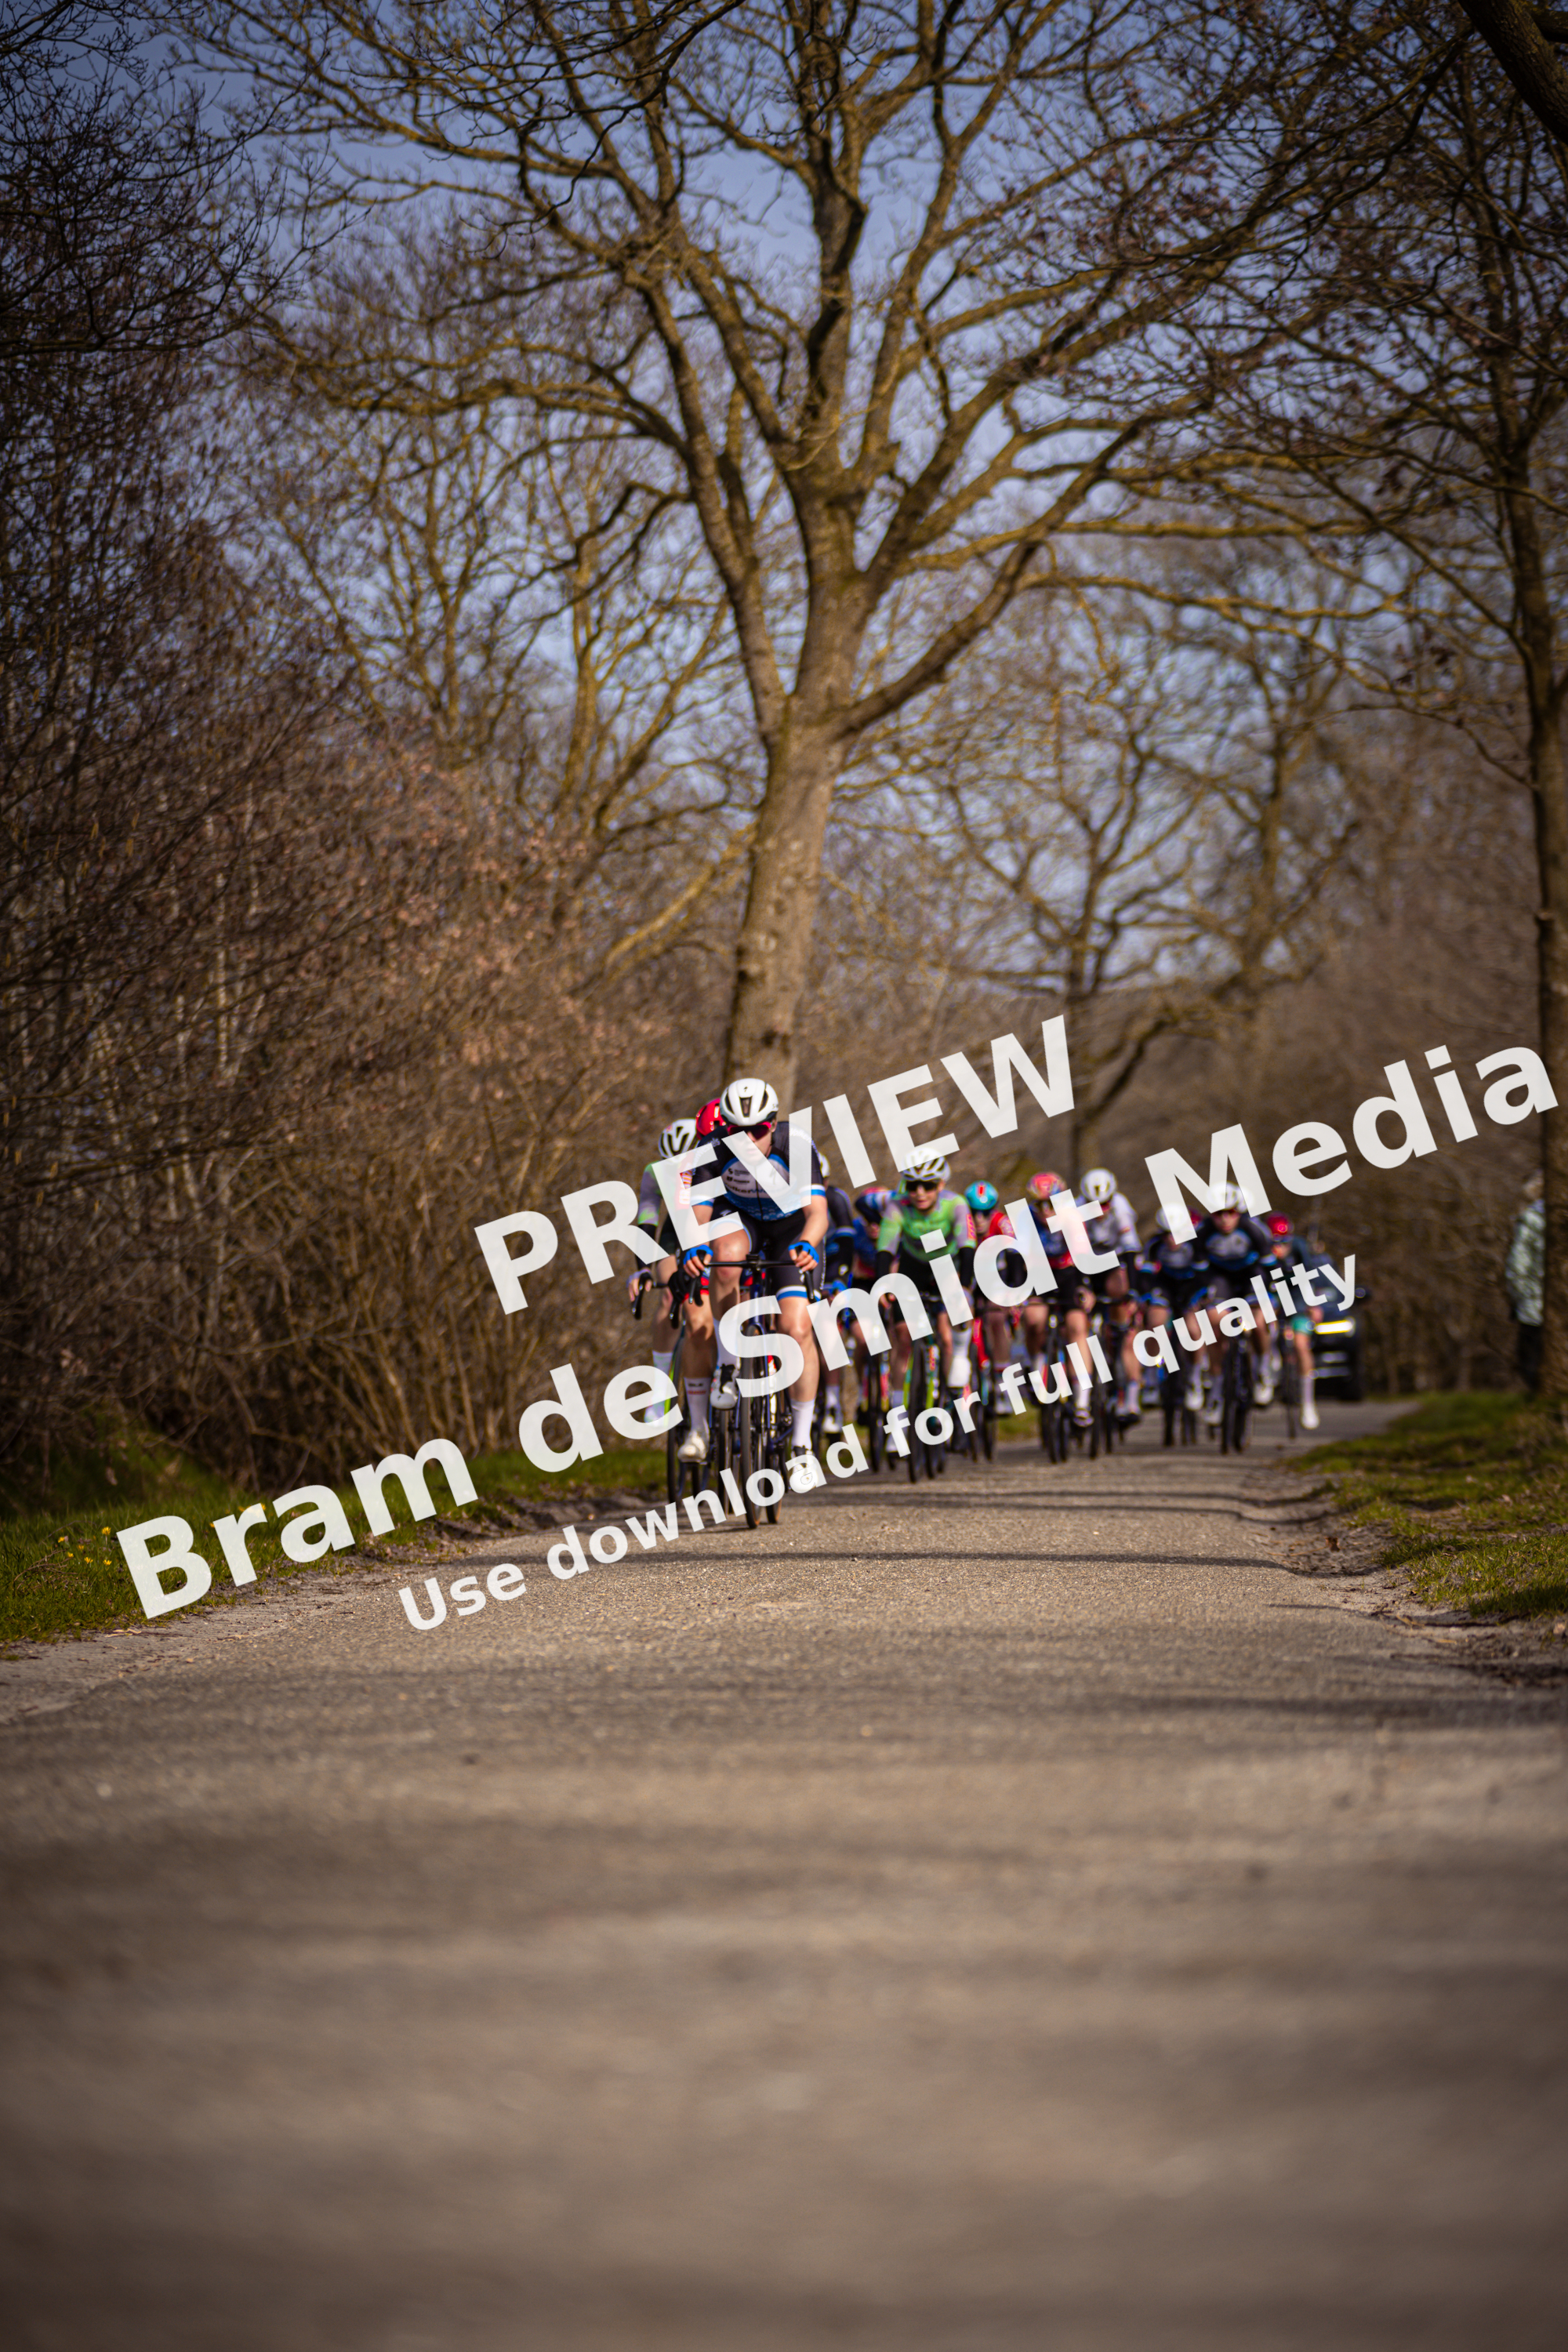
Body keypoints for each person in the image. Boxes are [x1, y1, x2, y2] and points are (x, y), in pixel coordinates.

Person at [681, 1076, 829, 1478]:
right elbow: (698, 1215)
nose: (748, 1140)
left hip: (791, 1230)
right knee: (724, 1259)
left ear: (774, 1124)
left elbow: (817, 1213)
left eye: (759, 1130)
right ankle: (727, 1368)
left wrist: (809, 1243)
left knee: (796, 1328)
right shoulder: (711, 1149)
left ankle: (801, 1442)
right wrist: (694, 1246)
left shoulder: (795, 1144)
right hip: (742, 1219)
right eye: (737, 1131)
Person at [628, 1116, 715, 1456]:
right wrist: (642, 1270)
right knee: (669, 1295)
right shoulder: (654, 1172)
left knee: (708, 1306)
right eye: (671, 1165)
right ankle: (661, 1388)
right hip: (677, 1231)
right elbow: (647, 1219)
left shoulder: (715, 1162)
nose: (678, 1172)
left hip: (713, 1225)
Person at [875, 1159, 975, 1403]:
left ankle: (959, 1355)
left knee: (950, 1328)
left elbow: (967, 1246)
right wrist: (883, 1284)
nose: (919, 1193)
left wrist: (964, 1286)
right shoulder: (897, 1205)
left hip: (946, 1264)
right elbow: (886, 1248)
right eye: (912, 1186)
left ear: (940, 1185)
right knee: (903, 1336)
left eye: (928, 1186)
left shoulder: (955, 1204)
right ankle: (897, 1405)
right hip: (914, 1266)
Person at [1191, 1187, 1276, 1420]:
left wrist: (1273, 1292)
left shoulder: (1254, 1229)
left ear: (1239, 1212)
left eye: (1231, 1213)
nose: (1225, 1219)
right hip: (1221, 1277)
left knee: (1259, 1322)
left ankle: (1263, 1369)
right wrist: (1204, 1296)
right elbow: (1200, 1273)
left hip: (1252, 1275)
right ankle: (1217, 1387)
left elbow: (1270, 1266)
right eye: (1218, 1214)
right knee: (1213, 1322)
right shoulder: (1203, 1233)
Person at [1262, 1210, 1321, 1431]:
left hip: (1296, 1296)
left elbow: (1310, 1277)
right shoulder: (1261, 1250)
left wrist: (1312, 1304)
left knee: (1300, 1345)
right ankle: (1269, 1363)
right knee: (1264, 1324)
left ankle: (1308, 1402)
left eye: (1283, 1243)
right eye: (1274, 1243)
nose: (1279, 1248)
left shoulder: (1299, 1248)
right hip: (1271, 1294)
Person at [1506, 1173, 1544, 1394]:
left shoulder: (1531, 1219)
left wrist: (1518, 1297)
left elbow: (1517, 1266)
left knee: (1529, 1360)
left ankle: (1542, 1400)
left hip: (1534, 1304)